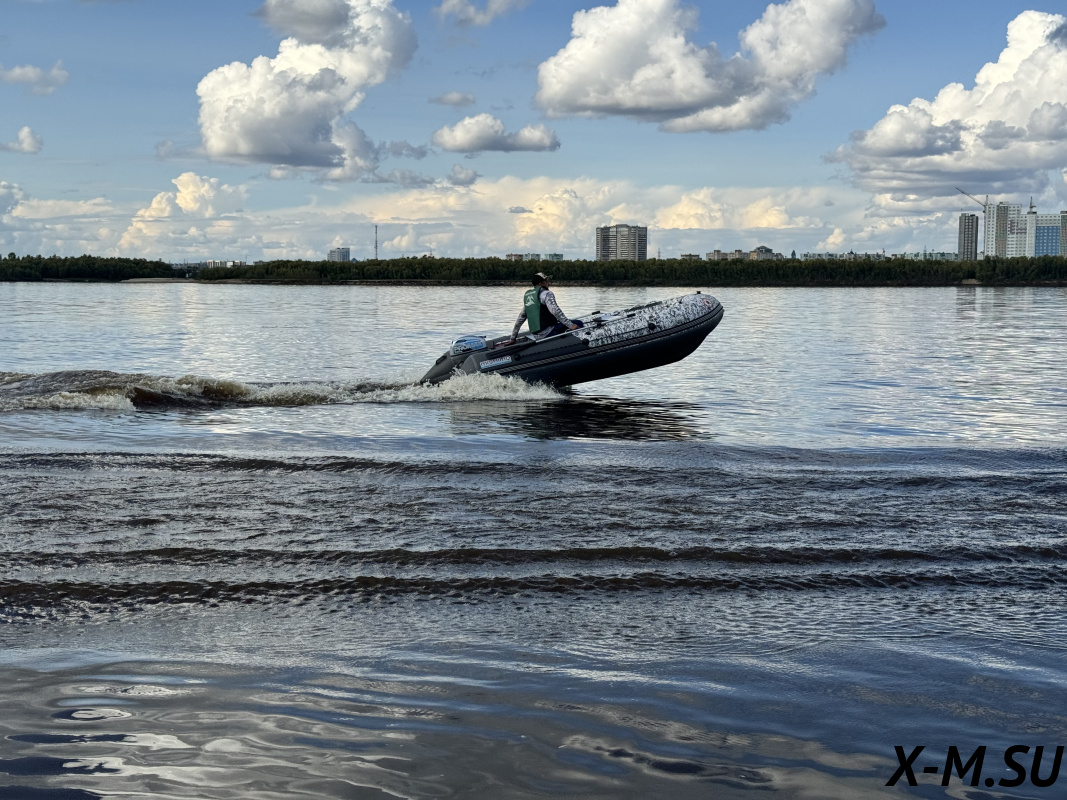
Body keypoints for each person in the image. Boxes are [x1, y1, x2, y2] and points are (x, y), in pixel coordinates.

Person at [506, 272, 582, 344]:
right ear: (540, 283)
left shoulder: (530, 298)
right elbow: (555, 311)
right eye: (546, 281)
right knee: (579, 323)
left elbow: (519, 320)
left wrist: (513, 338)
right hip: (549, 332)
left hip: (536, 335)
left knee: (562, 324)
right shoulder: (547, 294)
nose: (548, 283)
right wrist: (570, 325)